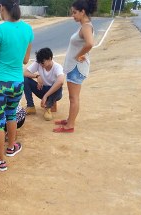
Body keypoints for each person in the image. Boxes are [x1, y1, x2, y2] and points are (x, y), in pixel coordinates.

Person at [0, 0, 33, 171]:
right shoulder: (28, 29)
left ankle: (0, 161)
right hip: (17, 82)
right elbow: (26, 60)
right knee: (11, 115)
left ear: (3, 8)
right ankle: (11, 147)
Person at [53, 0, 97, 133]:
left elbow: (90, 44)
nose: (73, 15)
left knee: (74, 98)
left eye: (74, 12)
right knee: (73, 97)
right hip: (75, 67)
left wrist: (79, 55)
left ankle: (69, 126)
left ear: (82, 12)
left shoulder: (86, 27)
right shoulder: (84, 25)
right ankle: (69, 120)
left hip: (77, 68)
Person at [23, 47, 64, 121]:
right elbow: (25, 73)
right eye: (39, 63)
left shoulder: (57, 67)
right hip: (42, 89)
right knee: (25, 80)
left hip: (53, 93)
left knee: (59, 86)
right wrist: (37, 76)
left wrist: (46, 96)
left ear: (50, 58)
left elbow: (61, 81)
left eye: (43, 63)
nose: (41, 65)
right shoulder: (39, 63)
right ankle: (30, 106)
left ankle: (48, 107)